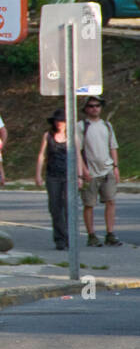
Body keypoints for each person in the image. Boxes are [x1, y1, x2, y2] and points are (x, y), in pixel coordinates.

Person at [76, 96, 122, 246]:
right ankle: (91, 235)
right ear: (86, 108)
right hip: (90, 170)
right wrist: (83, 170)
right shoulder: (81, 126)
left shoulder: (107, 125)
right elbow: (77, 150)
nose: (95, 108)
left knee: (110, 201)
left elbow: (113, 147)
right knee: (89, 204)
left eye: (97, 105)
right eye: (91, 106)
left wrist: (115, 167)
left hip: (107, 169)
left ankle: (110, 233)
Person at [35, 109, 70, 251]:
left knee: (69, 207)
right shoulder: (48, 136)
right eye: (57, 121)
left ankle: (69, 236)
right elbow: (41, 156)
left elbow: (77, 156)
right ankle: (60, 238)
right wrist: (38, 174)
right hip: (53, 175)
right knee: (55, 208)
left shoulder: (72, 136)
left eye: (62, 121)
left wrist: (80, 175)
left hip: (69, 175)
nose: (59, 123)